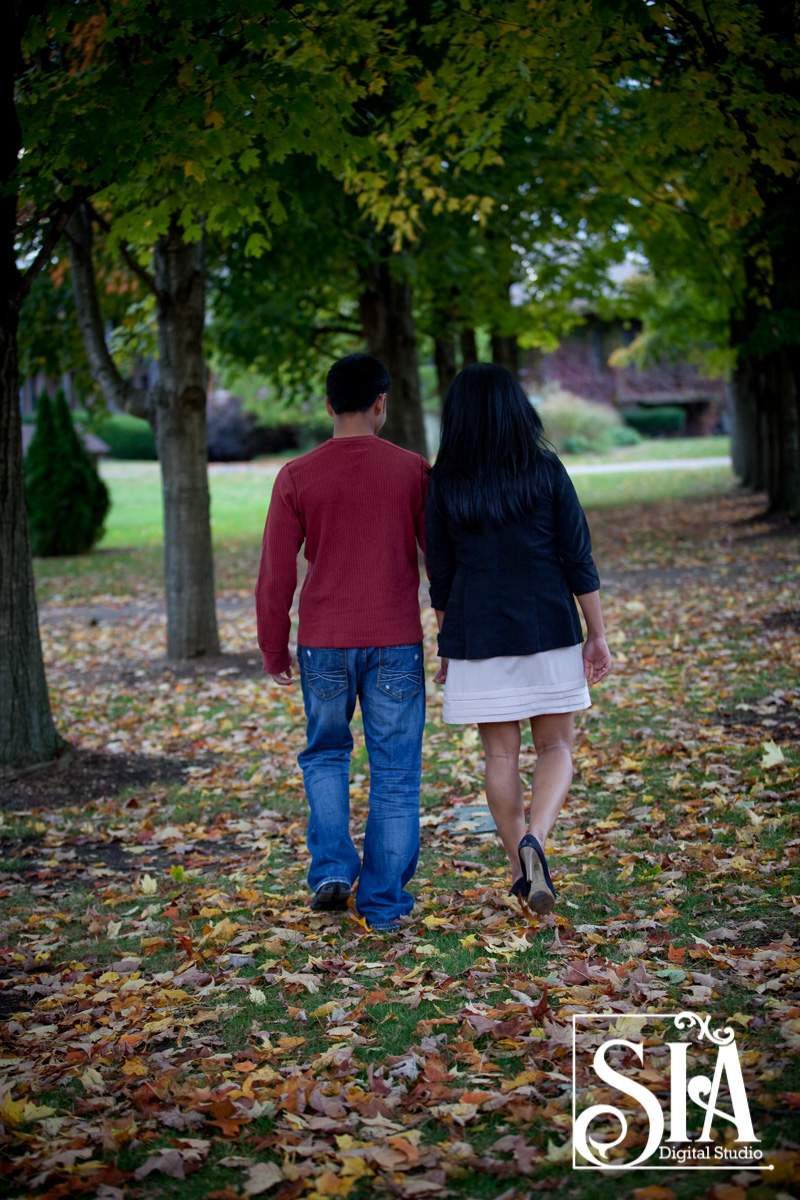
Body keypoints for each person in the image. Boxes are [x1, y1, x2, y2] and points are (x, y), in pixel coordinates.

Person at [425, 363, 610, 914]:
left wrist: (446, 646)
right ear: (517, 409)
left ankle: (518, 871)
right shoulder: (545, 469)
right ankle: (537, 840)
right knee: (557, 746)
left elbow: (441, 575)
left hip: (477, 631)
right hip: (547, 623)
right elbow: (578, 557)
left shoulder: (443, 482)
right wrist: (596, 633)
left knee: (499, 754)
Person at [255, 353, 429, 931]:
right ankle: (383, 903)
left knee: (326, 753)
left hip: (324, 642)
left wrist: (273, 648)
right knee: (396, 771)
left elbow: (276, 574)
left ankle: (331, 867)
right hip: (395, 641)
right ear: (382, 402)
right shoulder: (411, 471)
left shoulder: (297, 475)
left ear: (328, 405)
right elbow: (444, 559)